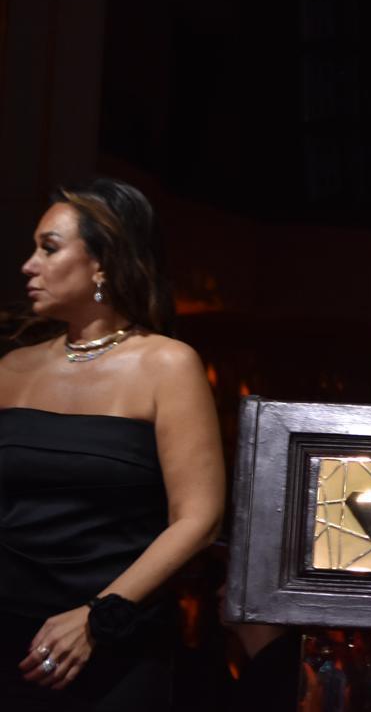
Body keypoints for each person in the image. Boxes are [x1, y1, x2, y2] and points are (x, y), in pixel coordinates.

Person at [0, 178, 225, 709]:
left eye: (49, 248)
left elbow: (199, 519)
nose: (28, 265)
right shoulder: (11, 368)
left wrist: (98, 617)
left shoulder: (167, 365)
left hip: (112, 645)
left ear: (102, 262)